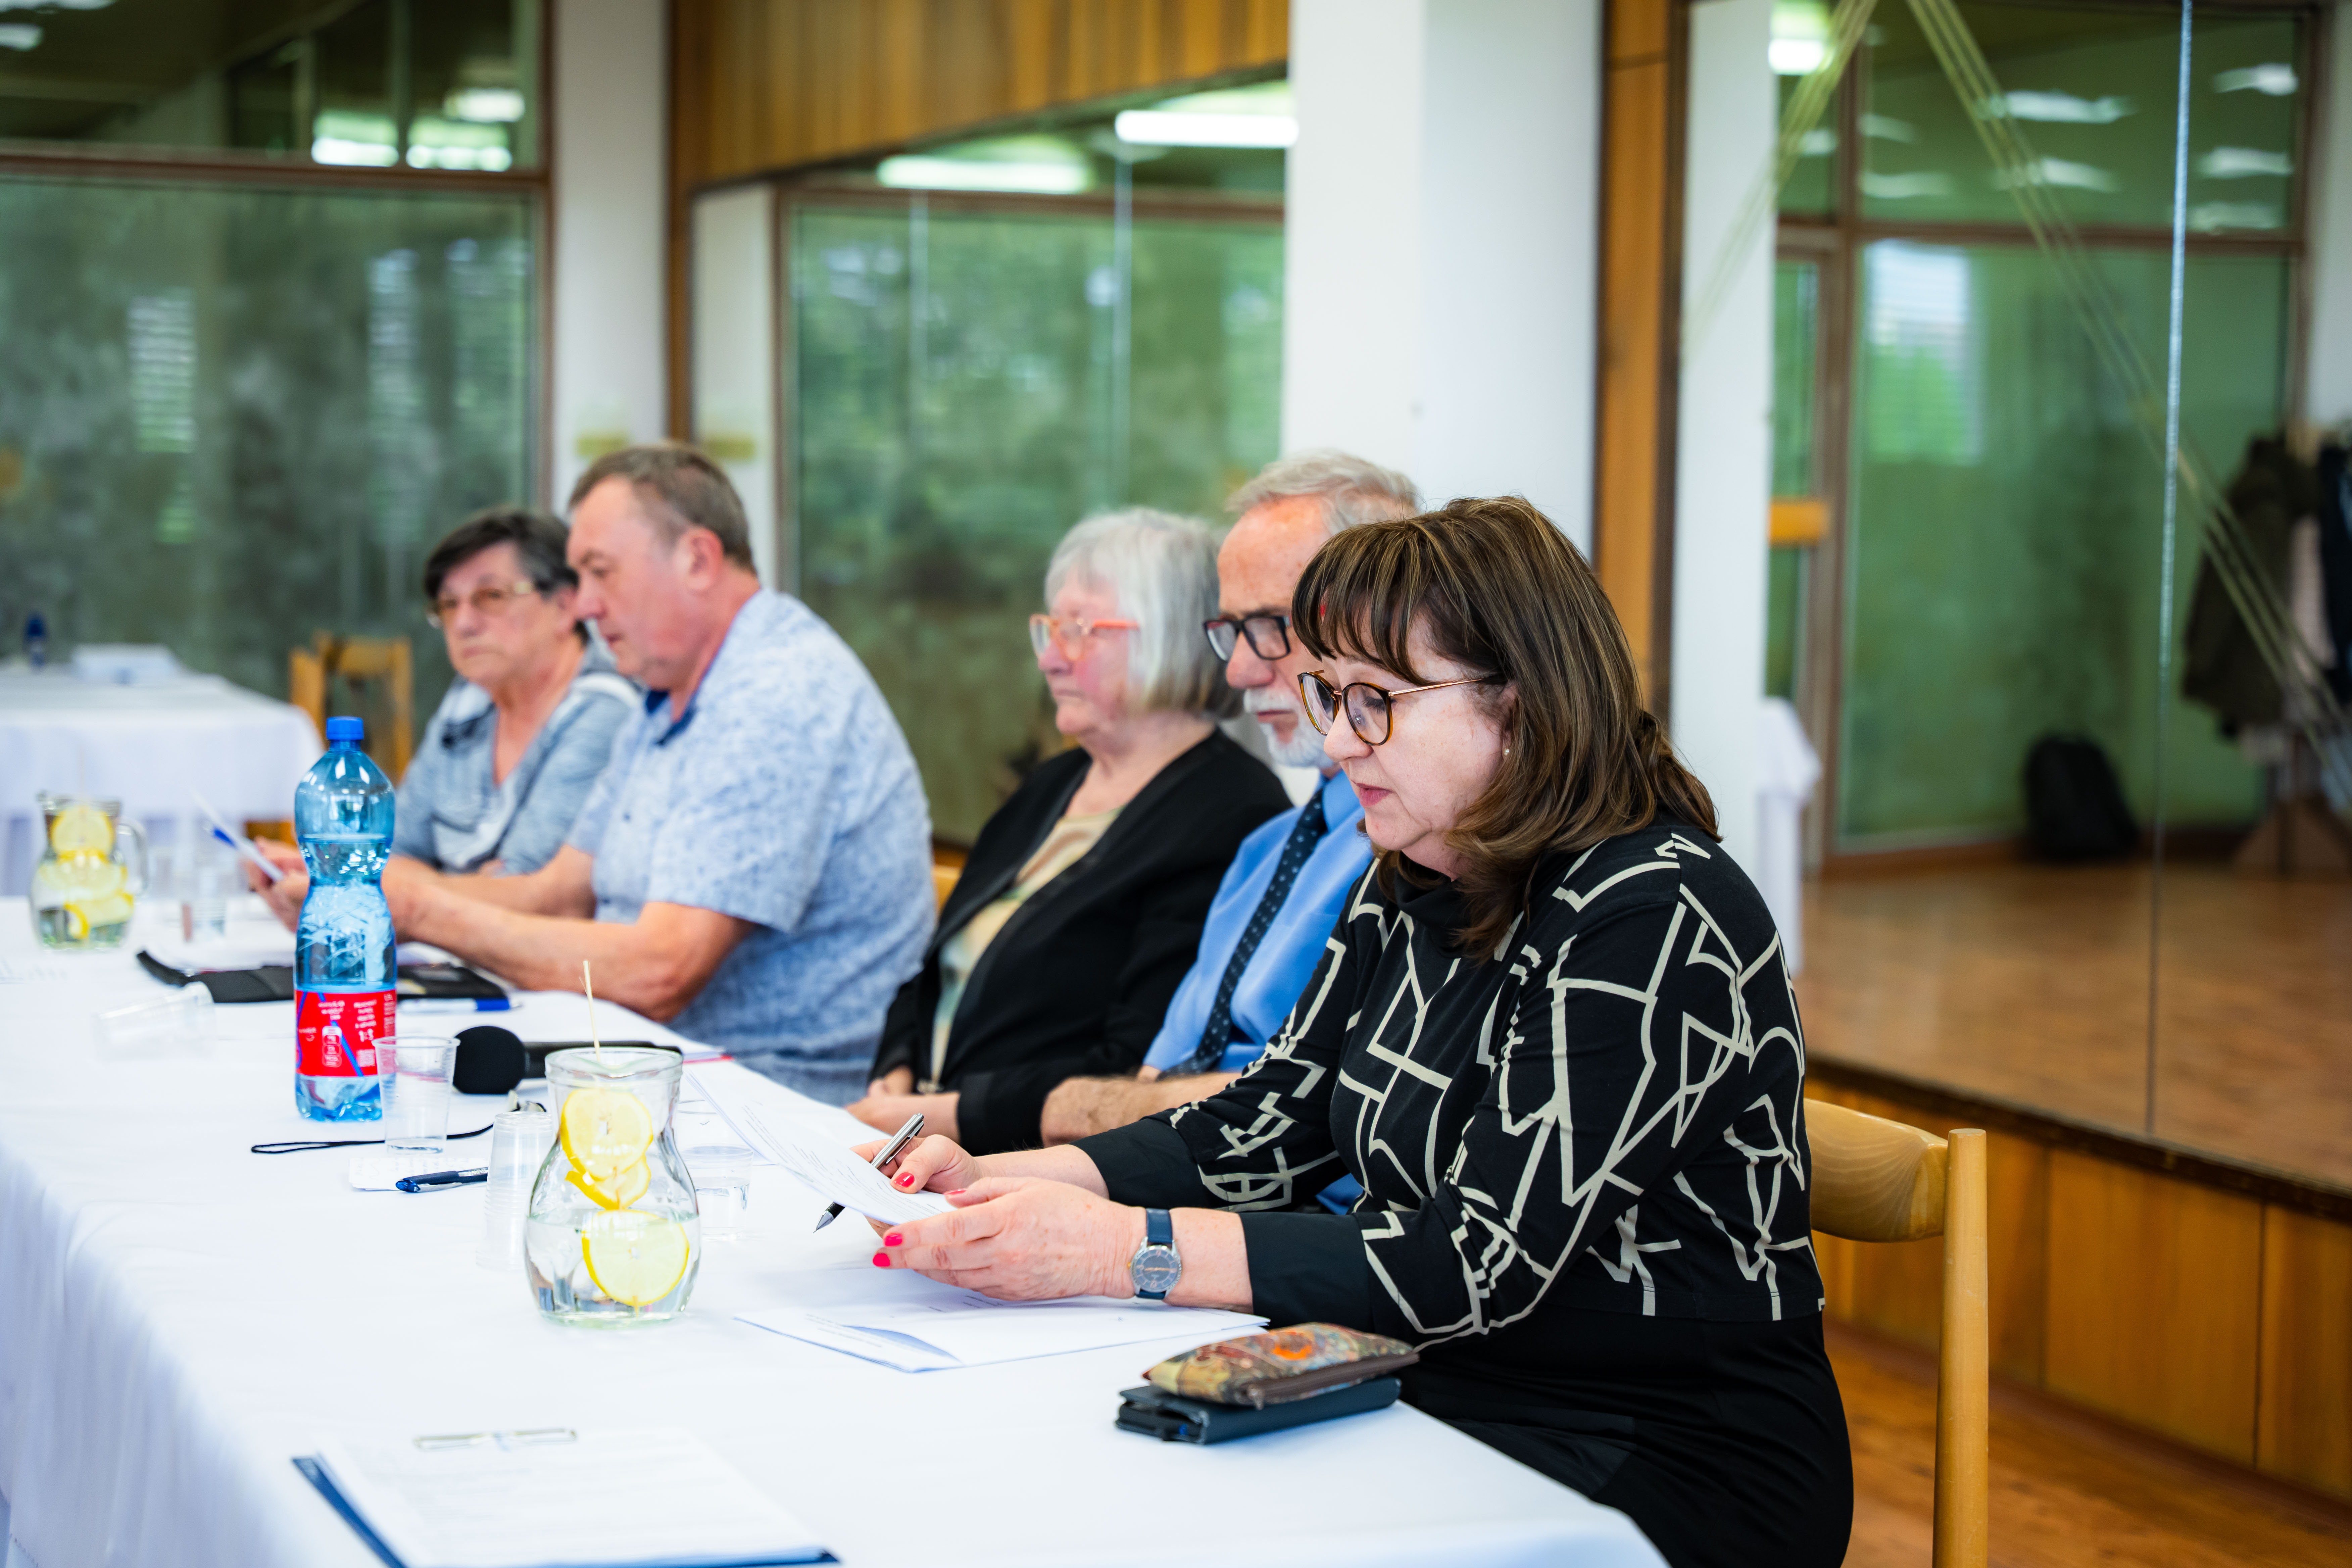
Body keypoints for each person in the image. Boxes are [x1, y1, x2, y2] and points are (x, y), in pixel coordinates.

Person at [863, 498, 1851, 1568]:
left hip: (1663, 1443)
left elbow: (1472, 1263)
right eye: (1330, 697)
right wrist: (1006, 1176)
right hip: (1446, 1384)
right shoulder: (1417, 867)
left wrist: (1118, 1248)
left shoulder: (1651, 913)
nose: (1336, 742)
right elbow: (1271, 1120)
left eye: (1374, 702)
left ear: (1517, 701)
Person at [257, 446, 934, 1104]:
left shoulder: (776, 693)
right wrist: (371, 889)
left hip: (765, 1101)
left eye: (600, 572)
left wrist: (418, 909)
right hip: (647, 1061)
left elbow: (659, 969)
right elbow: (558, 890)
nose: (582, 605)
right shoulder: (665, 694)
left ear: (697, 559)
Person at [848, 508, 1290, 1155]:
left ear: (1167, 637)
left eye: (1080, 630)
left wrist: (942, 1115)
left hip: (1040, 1166)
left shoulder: (1230, 812)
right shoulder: (1054, 782)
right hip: (924, 1136)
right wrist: (896, 1072)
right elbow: (933, 967)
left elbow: (1134, 1063)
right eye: (1050, 629)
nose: (1052, 659)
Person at [1031, 452, 1419, 1155]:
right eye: (1231, 631)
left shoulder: (1422, 854)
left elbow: (1317, 1111)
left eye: (1271, 625)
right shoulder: (1264, 849)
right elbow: (1164, 1066)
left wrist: (1086, 1107)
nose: (1239, 669)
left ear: (1381, 623)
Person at [398, 508, 634, 875]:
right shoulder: (467, 700)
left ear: (565, 606)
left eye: (491, 596)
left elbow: (527, 887)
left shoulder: (604, 711)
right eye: (448, 604)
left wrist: (415, 888)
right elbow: (399, 849)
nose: (463, 624)